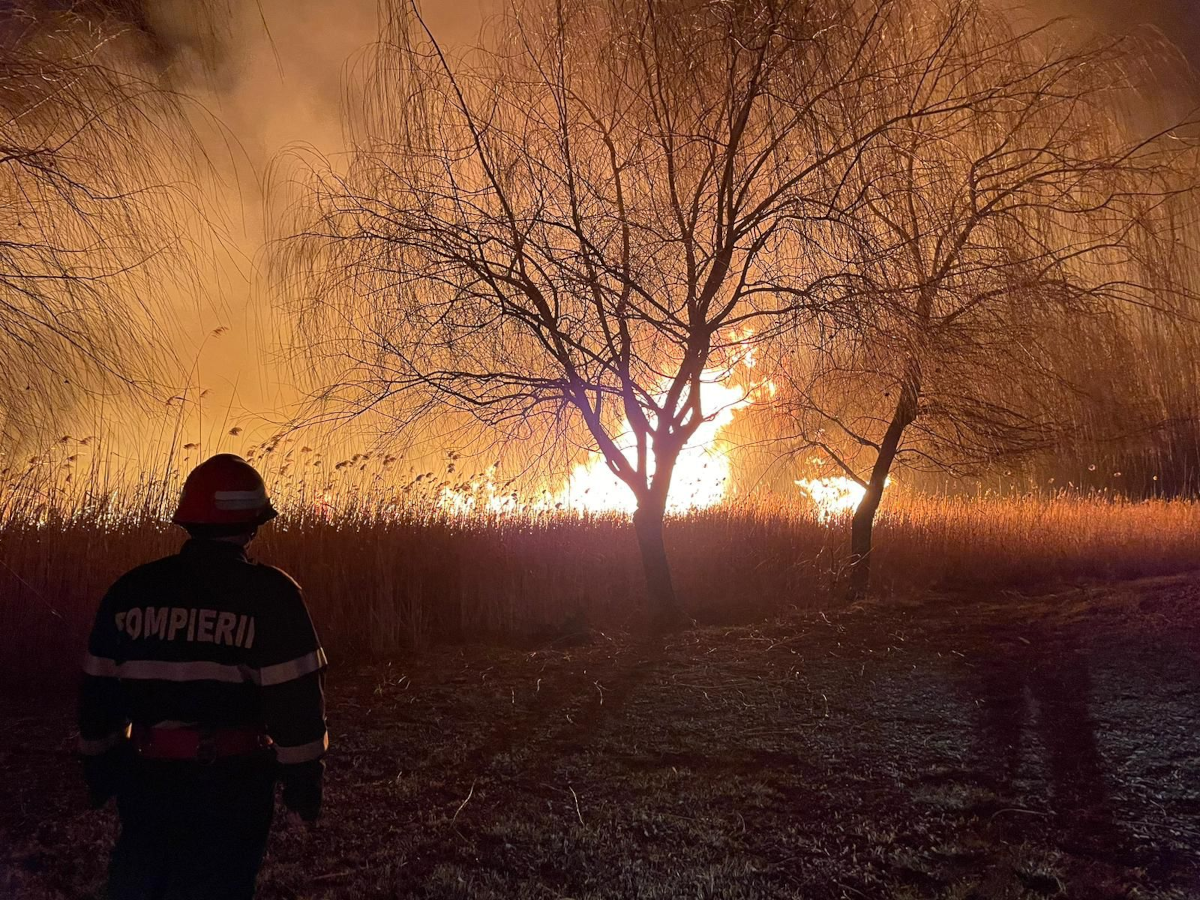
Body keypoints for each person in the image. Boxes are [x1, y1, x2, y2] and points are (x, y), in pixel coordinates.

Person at [77, 454, 328, 900]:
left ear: (188, 518)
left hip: (147, 780)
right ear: (252, 523)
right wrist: (303, 779)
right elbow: (296, 700)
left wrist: (99, 764)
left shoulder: (131, 589)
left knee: (140, 882)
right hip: (233, 784)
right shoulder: (271, 594)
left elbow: (97, 694)